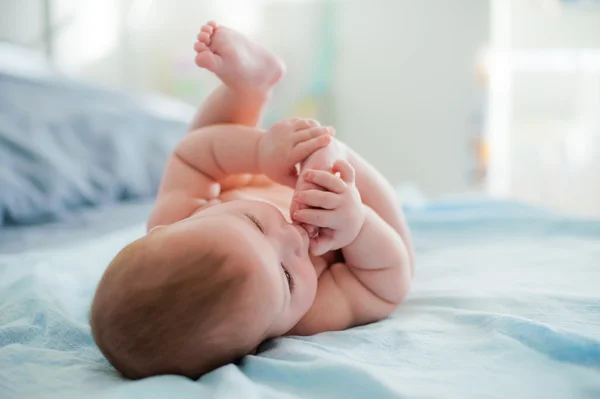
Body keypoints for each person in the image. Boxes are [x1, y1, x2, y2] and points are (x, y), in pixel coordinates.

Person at [90, 21, 414, 380]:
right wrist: (357, 223)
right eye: (287, 277)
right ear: (261, 341)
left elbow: (191, 156)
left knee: (205, 147)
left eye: (255, 224)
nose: (292, 239)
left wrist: (260, 153)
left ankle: (248, 88)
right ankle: (332, 157)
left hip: (262, 174)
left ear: (177, 225)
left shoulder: (178, 216)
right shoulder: (310, 313)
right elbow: (384, 286)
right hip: (359, 227)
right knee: (383, 231)